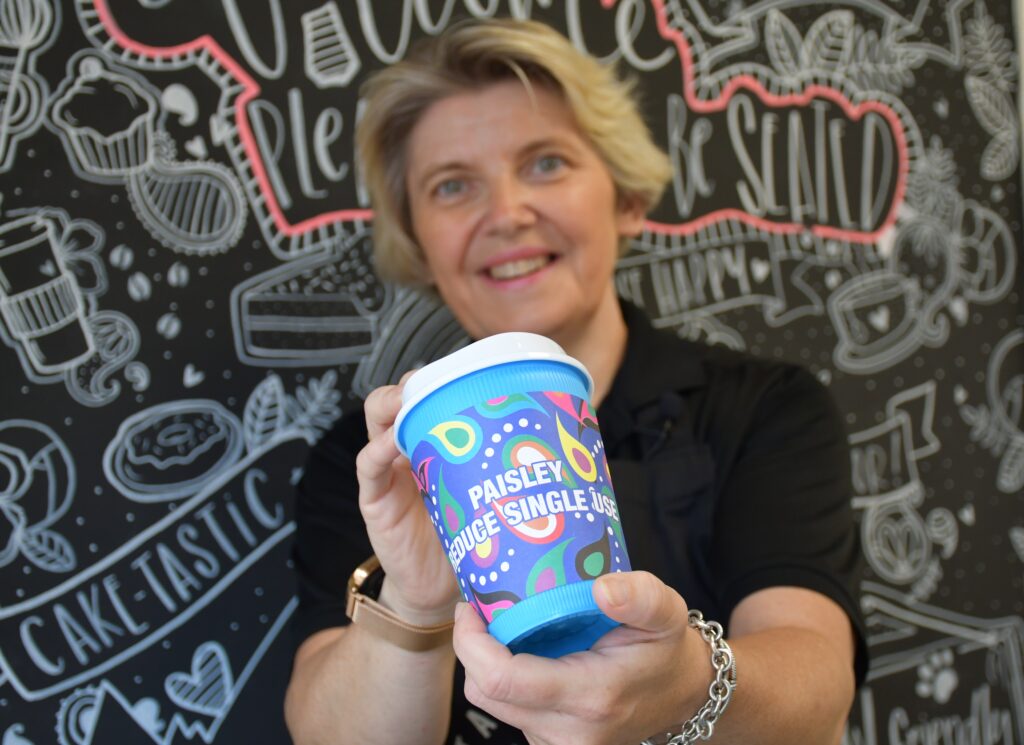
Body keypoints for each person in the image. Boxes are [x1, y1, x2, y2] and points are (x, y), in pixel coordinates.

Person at [284, 17, 867, 745]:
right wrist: (413, 598)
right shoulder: (375, 462)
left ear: (625, 197)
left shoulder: (764, 409)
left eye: (545, 163)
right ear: (420, 245)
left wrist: (686, 686)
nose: (505, 214)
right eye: (453, 186)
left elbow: (819, 693)